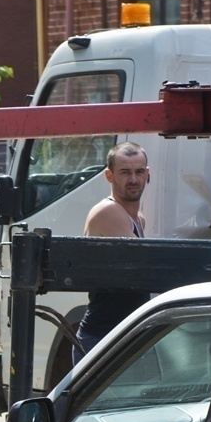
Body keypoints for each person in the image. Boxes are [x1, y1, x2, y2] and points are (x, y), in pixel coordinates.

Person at [74, 141, 152, 353]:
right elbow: (147, 267)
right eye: (125, 172)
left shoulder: (138, 220)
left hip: (125, 335)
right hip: (103, 338)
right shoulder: (109, 211)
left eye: (138, 172)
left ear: (147, 174)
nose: (133, 179)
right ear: (109, 176)